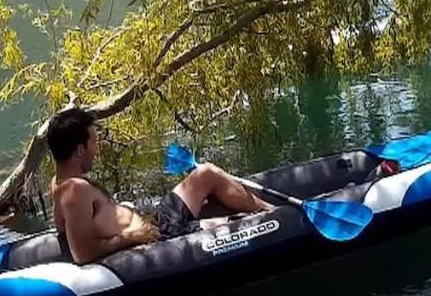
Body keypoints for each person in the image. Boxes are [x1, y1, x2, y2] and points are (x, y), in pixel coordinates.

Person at [47, 107, 272, 265]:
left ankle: (267, 208)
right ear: (79, 150)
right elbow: (82, 253)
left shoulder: (58, 185)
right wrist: (130, 237)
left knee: (205, 174)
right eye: (94, 143)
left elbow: (61, 227)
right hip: (162, 234)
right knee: (231, 216)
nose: (97, 150)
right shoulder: (74, 191)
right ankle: (273, 213)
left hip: (156, 219)